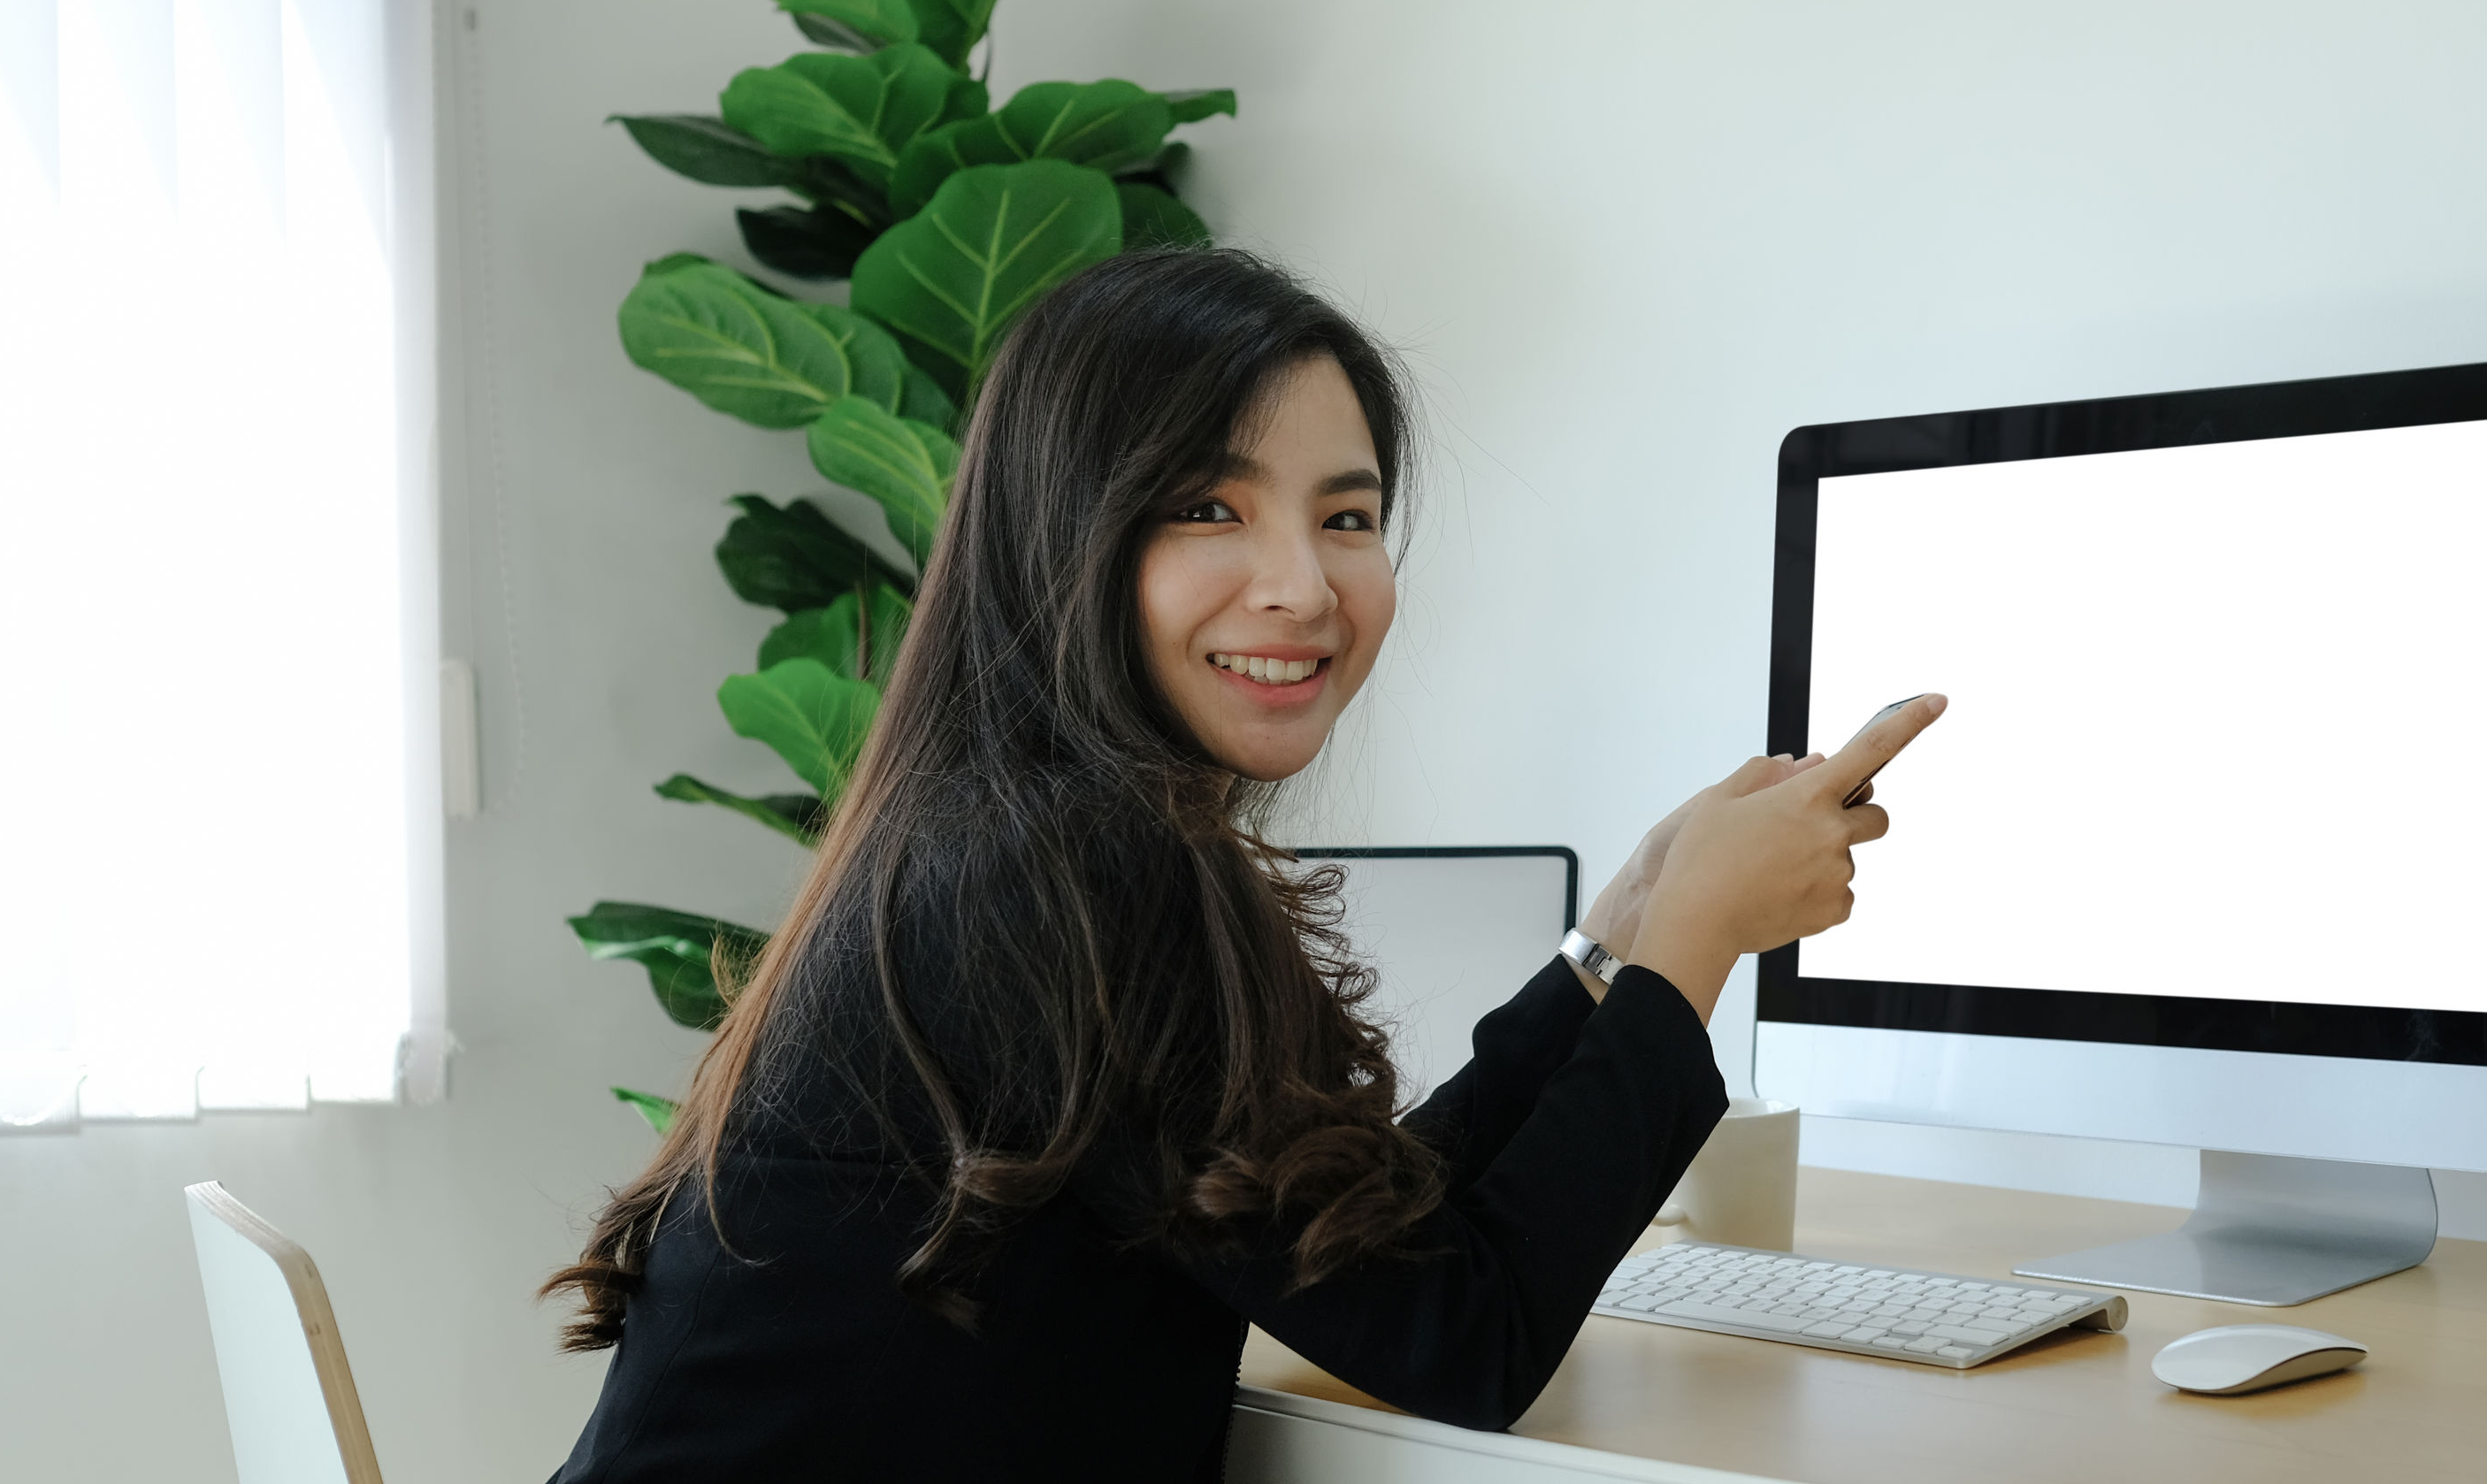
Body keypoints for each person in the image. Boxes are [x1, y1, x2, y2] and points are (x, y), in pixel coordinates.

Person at [542, 248, 1943, 1480]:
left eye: (1346, 516)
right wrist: (1694, 951)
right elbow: (1468, 1335)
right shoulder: (1067, 875)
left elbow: (1362, 1243)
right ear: (1064, 542)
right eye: (1208, 508)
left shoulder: (1014, 833)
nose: (1304, 584)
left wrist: (1614, 948)